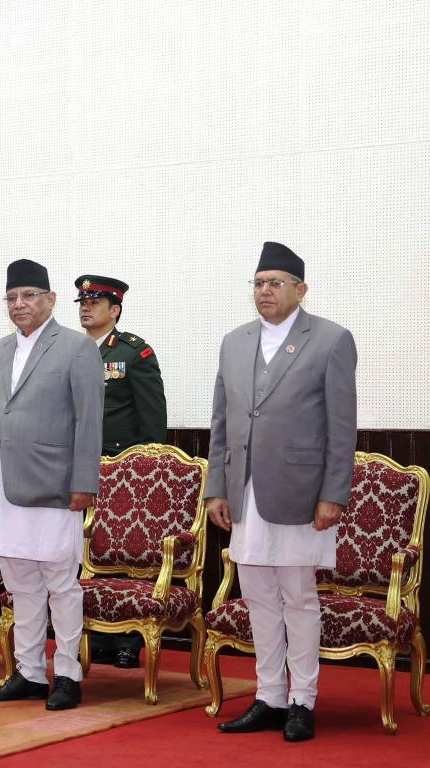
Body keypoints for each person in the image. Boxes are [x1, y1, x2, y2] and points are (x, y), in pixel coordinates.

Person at [206, 242, 356, 742]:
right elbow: (222, 423)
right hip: (243, 490)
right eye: (258, 283)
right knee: (258, 597)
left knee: (298, 596)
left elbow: (342, 427)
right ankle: (269, 696)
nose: (264, 291)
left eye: (275, 283)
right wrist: (216, 488)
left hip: (300, 491)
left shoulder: (331, 340)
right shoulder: (235, 341)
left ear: (301, 289)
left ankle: (302, 701)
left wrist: (333, 493)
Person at [0, 259, 104, 711]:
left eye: (28, 295)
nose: (19, 304)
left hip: (55, 485)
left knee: (61, 584)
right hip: (5, 486)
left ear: (50, 299)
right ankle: (28, 672)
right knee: (20, 583)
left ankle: (67, 674)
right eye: (11, 297)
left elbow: (89, 420)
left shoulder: (76, 347)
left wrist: (84, 481)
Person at [75, 274, 167, 669]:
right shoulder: (70, 351)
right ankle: (94, 638)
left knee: (128, 555)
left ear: (114, 310)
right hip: (77, 471)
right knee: (84, 553)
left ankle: (129, 641)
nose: (86, 307)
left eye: (94, 301)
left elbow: (152, 418)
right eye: (82, 301)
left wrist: (146, 469)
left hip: (123, 473)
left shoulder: (133, 353)